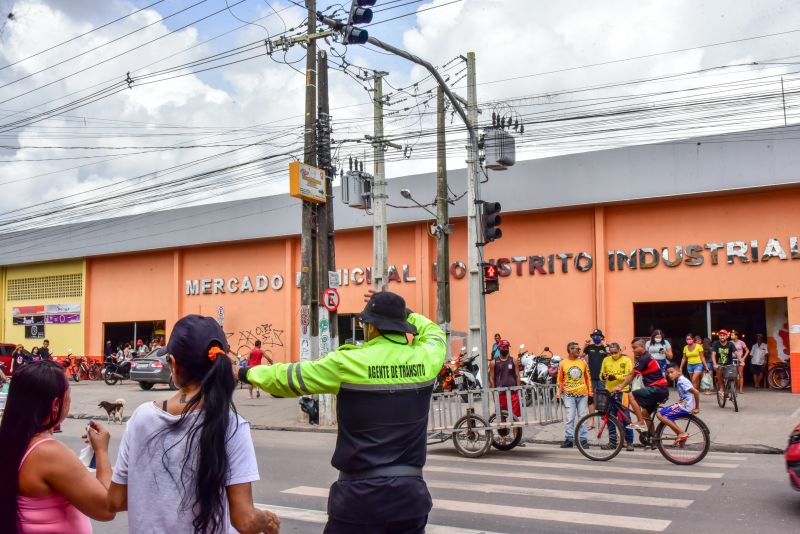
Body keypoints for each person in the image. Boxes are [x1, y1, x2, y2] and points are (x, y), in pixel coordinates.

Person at [237, 290, 445, 533]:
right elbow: (435, 333)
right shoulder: (426, 359)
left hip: (360, 498)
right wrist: (407, 315)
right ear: (402, 327)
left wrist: (246, 373)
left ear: (371, 328)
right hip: (410, 498)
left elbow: (288, 378)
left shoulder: (347, 363)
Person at [105, 315, 279, 534]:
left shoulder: (141, 418)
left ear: (174, 365)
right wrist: (264, 519)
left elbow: (114, 501)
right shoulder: (232, 425)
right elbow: (245, 521)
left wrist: (102, 452)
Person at [0, 361, 116, 534]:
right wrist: (101, 451)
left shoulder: (11, 441)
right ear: (56, 405)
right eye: (68, 393)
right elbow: (107, 508)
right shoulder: (48, 452)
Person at [614, 338, 669, 435]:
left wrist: (621, 386)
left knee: (631, 395)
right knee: (645, 413)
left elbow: (632, 374)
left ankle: (640, 422)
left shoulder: (644, 358)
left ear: (642, 347)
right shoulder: (646, 357)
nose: (633, 350)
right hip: (660, 389)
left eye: (635, 348)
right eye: (632, 348)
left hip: (658, 388)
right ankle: (654, 439)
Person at [557, 342, 592, 448]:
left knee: (583, 417)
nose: (579, 350)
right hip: (569, 395)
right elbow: (559, 379)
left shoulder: (583, 363)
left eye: (579, 348)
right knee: (570, 418)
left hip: (582, 395)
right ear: (570, 350)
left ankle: (583, 440)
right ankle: (569, 439)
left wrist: (590, 392)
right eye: (577, 349)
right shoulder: (563, 363)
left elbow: (587, 378)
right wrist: (558, 393)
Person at [600, 342, 634, 451]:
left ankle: (629, 442)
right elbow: (601, 374)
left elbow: (629, 375)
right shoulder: (606, 360)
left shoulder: (626, 360)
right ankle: (612, 442)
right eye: (611, 353)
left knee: (626, 417)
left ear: (620, 350)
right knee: (610, 418)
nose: (614, 354)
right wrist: (604, 376)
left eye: (616, 352)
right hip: (609, 392)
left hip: (622, 392)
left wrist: (615, 377)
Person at [657, 365, 701, 443]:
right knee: (665, 414)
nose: (670, 375)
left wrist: (697, 407)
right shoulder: (680, 380)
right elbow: (687, 393)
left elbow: (696, 392)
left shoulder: (682, 381)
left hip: (685, 406)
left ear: (679, 372)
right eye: (668, 373)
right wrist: (681, 399)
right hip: (684, 404)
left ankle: (681, 433)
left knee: (660, 415)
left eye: (672, 372)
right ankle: (680, 434)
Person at [489, 339, 521, 417]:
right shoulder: (493, 362)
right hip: (500, 394)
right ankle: (503, 429)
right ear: (499, 348)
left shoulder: (513, 361)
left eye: (507, 347)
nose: (506, 349)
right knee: (501, 418)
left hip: (513, 394)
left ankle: (515, 429)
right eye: (504, 347)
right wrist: (494, 393)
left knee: (514, 418)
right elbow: (491, 378)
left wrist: (518, 392)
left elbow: (517, 376)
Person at [711, 329, 738, 395]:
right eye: (720, 335)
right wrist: (714, 364)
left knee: (734, 374)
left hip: (729, 364)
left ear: (726, 336)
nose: (722, 337)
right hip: (718, 364)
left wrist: (742, 361)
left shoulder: (730, 344)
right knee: (719, 370)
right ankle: (721, 387)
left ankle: (732, 388)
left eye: (723, 335)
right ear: (719, 336)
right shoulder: (715, 343)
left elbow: (736, 353)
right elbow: (713, 354)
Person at [583, 328, 608, 394]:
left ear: (601, 337)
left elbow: (610, 357)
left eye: (597, 336)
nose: (595, 337)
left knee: (603, 394)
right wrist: (585, 345)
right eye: (593, 336)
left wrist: (605, 345)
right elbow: (581, 355)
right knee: (594, 394)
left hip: (602, 376)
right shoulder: (590, 347)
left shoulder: (605, 348)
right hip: (592, 375)